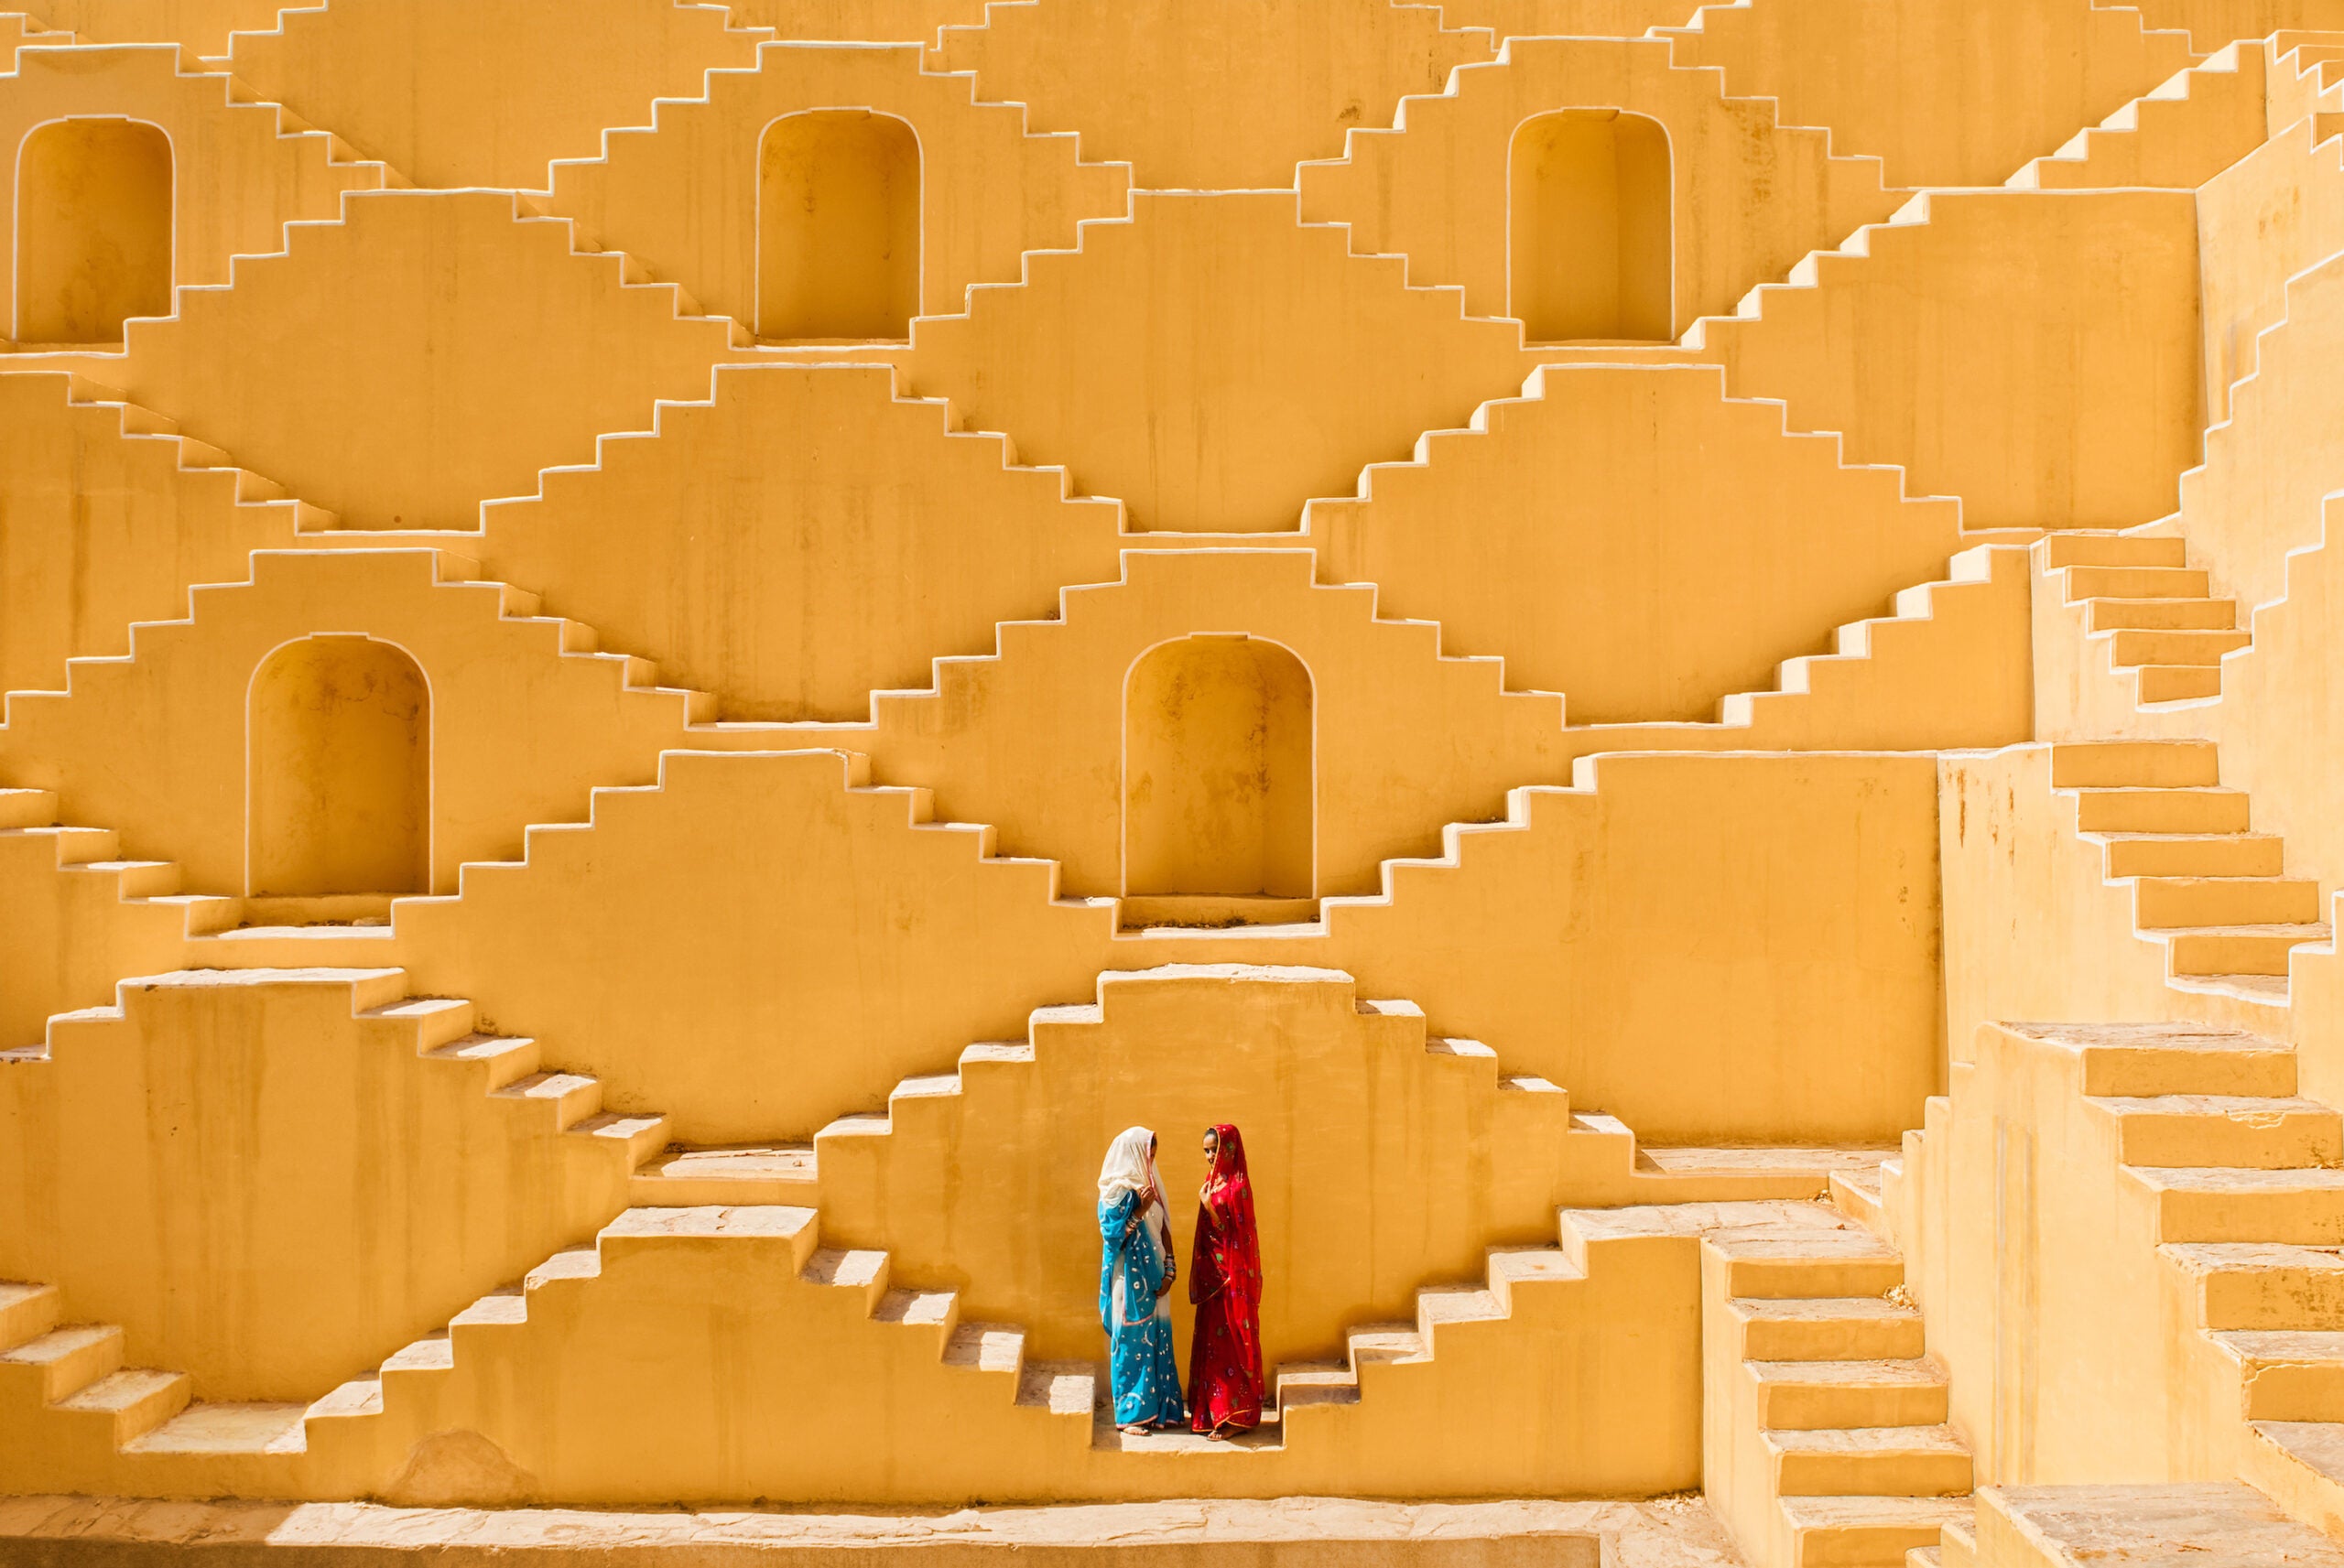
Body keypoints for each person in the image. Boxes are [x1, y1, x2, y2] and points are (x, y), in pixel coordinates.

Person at [1096, 1126, 1186, 1435]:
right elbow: (1113, 1238)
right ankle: (1130, 1415)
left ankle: (1159, 1410)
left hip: (1157, 1279)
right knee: (1130, 1343)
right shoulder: (1114, 1194)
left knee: (1157, 1341)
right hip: (1129, 1282)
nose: (1150, 1162)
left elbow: (1164, 1228)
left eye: (1152, 1155)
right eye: (1148, 1154)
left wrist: (1170, 1270)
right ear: (1132, 1153)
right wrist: (1140, 1209)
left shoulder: (1151, 1188)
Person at [1187, 1122, 1264, 1438]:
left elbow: (1237, 1236)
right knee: (1211, 1347)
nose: (1209, 1156)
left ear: (1229, 1149)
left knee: (1231, 1344)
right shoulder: (1212, 1182)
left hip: (1232, 1281)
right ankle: (1212, 1413)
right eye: (1206, 1150)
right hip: (1212, 1281)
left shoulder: (1237, 1186)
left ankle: (1236, 1417)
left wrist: (1208, 1206)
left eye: (1214, 1149)